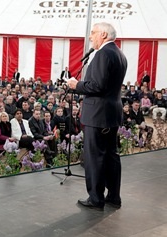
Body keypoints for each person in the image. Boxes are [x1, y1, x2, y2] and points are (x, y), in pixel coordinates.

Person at [67, 22, 127, 210]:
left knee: (95, 157)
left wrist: (76, 85)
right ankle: (113, 196)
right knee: (111, 156)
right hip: (111, 113)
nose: (90, 37)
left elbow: (97, 86)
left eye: (93, 33)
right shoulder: (119, 54)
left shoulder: (103, 54)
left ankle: (96, 198)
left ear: (103, 34)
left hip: (97, 114)